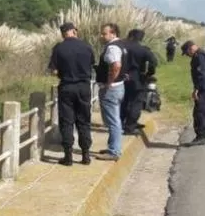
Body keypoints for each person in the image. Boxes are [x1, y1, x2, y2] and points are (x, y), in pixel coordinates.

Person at [47, 21, 96, 166]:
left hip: (67, 87)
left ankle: (68, 156)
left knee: (67, 121)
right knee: (84, 120)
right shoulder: (87, 47)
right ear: (75, 31)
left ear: (62, 33)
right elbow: (92, 65)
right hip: (84, 87)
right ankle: (85, 155)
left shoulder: (58, 48)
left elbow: (54, 70)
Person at [95, 23, 125, 161]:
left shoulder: (112, 47)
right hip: (118, 87)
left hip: (112, 88)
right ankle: (113, 146)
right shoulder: (121, 45)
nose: (102, 36)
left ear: (113, 34)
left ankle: (114, 151)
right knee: (114, 119)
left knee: (113, 120)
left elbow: (116, 65)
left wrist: (109, 82)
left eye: (104, 33)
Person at [121, 29, 158, 135]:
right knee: (136, 103)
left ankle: (122, 122)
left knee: (124, 101)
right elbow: (153, 62)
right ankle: (130, 127)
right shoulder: (143, 49)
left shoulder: (121, 46)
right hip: (137, 79)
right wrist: (149, 73)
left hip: (121, 78)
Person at [181, 40, 205, 146]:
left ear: (190, 49)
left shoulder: (199, 56)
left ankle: (201, 136)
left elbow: (202, 74)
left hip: (204, 87)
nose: (188, 55)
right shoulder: (204, 54)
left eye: (187, 53)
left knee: (200, 112)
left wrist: (196, 89)